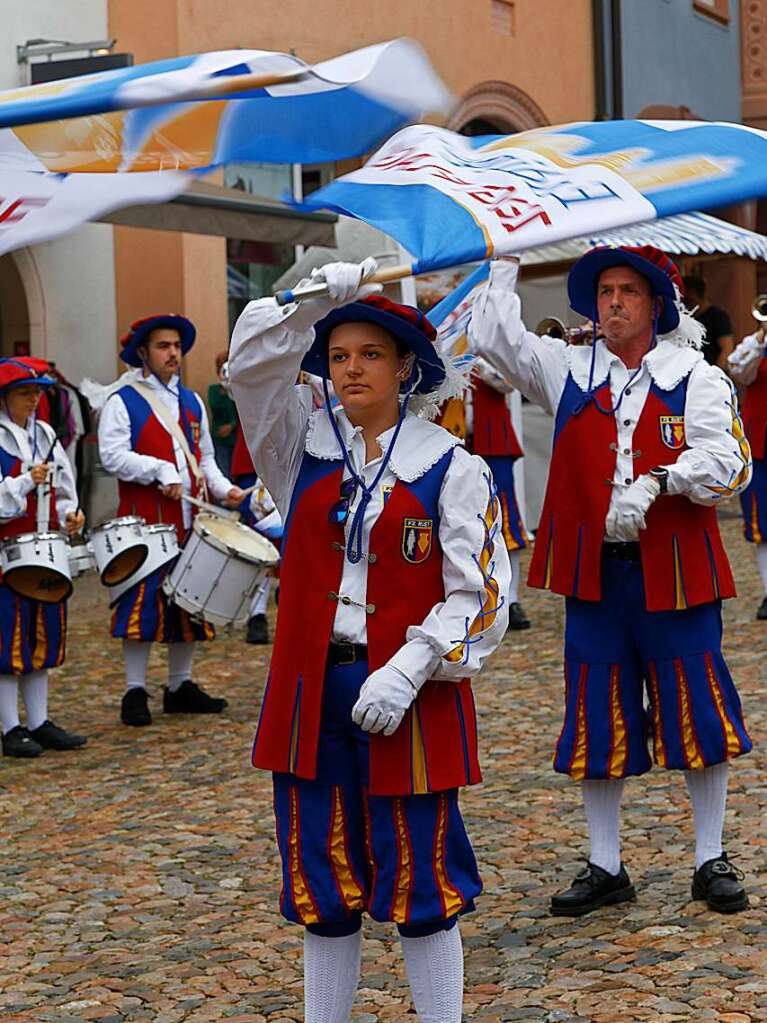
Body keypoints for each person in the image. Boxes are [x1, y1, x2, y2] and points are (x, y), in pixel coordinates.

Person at [228, 259, 510, 1023]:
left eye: (369, 355)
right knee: (321, 881)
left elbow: (482, 593)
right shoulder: (297, 448)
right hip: (309, 692)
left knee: (422, 881)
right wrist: (310, 296)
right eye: (339, 355)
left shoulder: (451, 465)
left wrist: (413, 664)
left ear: (405, 368)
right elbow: (250, 366)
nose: (351, 368)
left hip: (405, 694)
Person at [470, 246, 752, 915]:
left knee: (696, 711)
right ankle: (604, 864)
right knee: (597, 715)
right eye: (604, 292)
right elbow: (491, 338)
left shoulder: (694, 373)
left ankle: (708, 855)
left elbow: (727, 463)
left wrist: (659, 479)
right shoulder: (568, 367)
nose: (614, 302)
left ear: (656, 303)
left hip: (676, 571)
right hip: (594, 574)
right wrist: (503, 259)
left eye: (628, 290)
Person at [98, 314, 244, 727]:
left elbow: (205, 459)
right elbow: (112, 455)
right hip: (145, 522)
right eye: (164, 346)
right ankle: (134, 690)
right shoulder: (121, 400)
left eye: (177, 346)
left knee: (188, 605)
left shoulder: (192, 401)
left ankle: (179, 686)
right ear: (143, 352)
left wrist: (223, 489)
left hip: (190, 519)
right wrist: (160, 471)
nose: (173, 353)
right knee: (140, 605)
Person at [0, 357, 86, 757]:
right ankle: (11, 727)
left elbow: (66, 487)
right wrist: (22, 481)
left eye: (36, 392)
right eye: (24, 393)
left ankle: (39, 721)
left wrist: (73, 513)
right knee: (8, 640)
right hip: (7, 554)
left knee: (41, 634)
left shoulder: (47, 433)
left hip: (46, 548)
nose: (33, 399)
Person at [440, 363, 531, 630]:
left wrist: (478, 360)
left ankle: (511, 599)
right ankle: (462, 600)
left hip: (493, 442)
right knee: (454, 521)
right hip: (450, 438)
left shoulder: (490, 347)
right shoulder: (445, 339)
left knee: (505, 519)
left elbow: (508, 382)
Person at [728, 324, 767, 618]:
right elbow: (739, 369)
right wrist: (759, 337)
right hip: (762, 447)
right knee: (763, 527)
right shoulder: (754, 346)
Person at [683, 275, 734, 370]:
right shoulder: (687, 318)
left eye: (688, 295)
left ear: (695, 293)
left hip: (709, 373)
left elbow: (727, 348)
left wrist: (716, 374)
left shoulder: (717, 316)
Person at [208, 350, 238, 477]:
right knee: (224, 474)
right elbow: (216, 406)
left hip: (236, 440)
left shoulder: (239, 393)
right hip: (221, 442)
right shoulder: (214, 391)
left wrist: (232, 426)